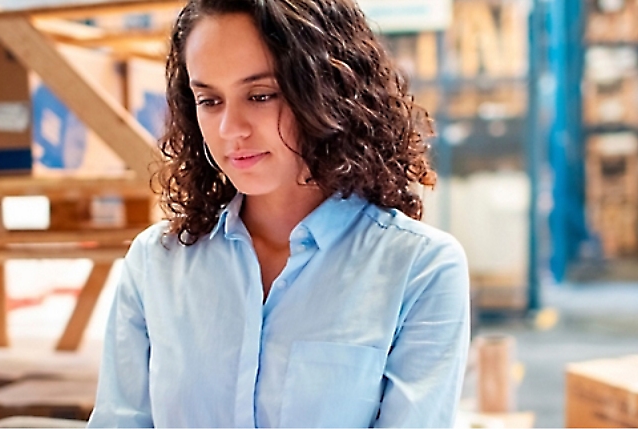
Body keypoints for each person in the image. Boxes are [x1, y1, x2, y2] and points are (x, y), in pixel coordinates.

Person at [88, 0, 470, 426]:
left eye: (261, 95)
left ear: (329, 89)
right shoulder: (154, 263)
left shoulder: (420, 270)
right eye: (209, 101)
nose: (231, 128)